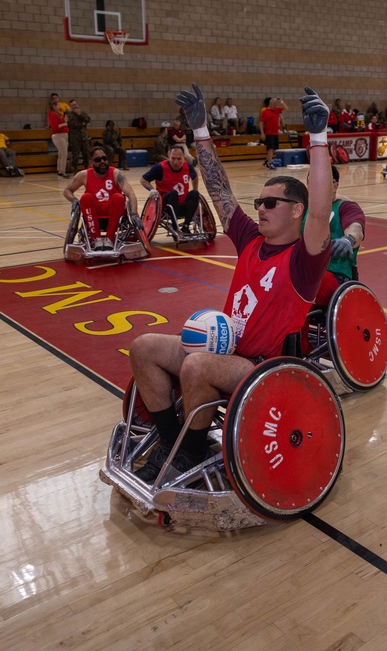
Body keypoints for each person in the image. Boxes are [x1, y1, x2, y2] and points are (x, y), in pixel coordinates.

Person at [126, 83, 332, 483]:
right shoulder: (250, 240)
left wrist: (319, 139)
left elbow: (322, 211)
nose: (260, 208)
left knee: (199, 366)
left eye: (270, 203)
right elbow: (220, 190)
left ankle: (184, 451)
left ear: (296, 211)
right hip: (227, 350)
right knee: (144, 346)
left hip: (264, 366)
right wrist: (200, 130)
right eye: (258, 202)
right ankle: (177, 445)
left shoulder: (305, 260)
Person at [304, 164, 365, 306]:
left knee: (299, 291)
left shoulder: (346, 208)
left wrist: (348, 239)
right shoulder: (302, 209)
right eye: (312, 181)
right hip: (303, 271)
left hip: (333, 274)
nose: (317, 185)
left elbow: (356, 228)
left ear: (335, 186)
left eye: (323, 181)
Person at [62, 146, 139, 249]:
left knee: (119, 197)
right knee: (85, 197)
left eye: (104, 158)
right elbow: (67, 191)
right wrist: (74, 200)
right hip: (94, 216)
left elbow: (131, 194)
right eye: (98, 160)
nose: (102, 161)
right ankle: (96, 239)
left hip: (114, 215)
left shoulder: (116, 174)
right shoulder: (84, 175)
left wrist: (134, 214)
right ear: (91, 163)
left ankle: (110, 239)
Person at [140, 145, 201, 232]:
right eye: (173, 158)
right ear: (168, 156)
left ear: (184, 157)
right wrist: (152, 190)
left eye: (179, 159)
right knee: (173, 193)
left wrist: (195, 188)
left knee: (195, 193)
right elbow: (143, 179)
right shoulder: (160, 167)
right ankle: (175, 227)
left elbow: (195, 177)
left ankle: (186, 226)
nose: (176, 162)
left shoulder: (188, 167)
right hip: (166, 205)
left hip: (183, 204)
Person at [260, 95, 285, 170]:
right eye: (274, 104)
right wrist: (262, 133)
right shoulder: (265, 112)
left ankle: (267, 161)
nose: (275, 106)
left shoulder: (276, 110)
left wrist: (281, 101)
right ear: (271, 104)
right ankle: (270, 163)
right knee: (270, 148)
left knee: (274, 149)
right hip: (269, 132)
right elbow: (261, 123)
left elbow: (286, 108)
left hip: (275, 133)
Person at [65, 99, 91, 173]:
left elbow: (88, 120)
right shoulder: (69, 115)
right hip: (75, 139)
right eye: (72, 105)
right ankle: (75, 169)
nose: (74, 106)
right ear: (70, 107)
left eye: (75, 104)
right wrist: (82, 124)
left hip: (84, 137)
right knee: (75, 155)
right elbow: (72, 125)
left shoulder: (82, 113)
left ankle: (86, 168)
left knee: (86, 154)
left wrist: (80, 115)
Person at [47, 99, 70, 177]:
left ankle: (60, 170)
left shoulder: (59, 114)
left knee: (61, 153)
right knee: (64, 153)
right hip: (58, 135)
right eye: (58, 105)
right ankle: (62, 171)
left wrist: (64, 120)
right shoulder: (52, 114)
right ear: (54, 106)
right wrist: (64, 124)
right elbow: (55, 127)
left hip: (63, 134)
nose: (59, 106)